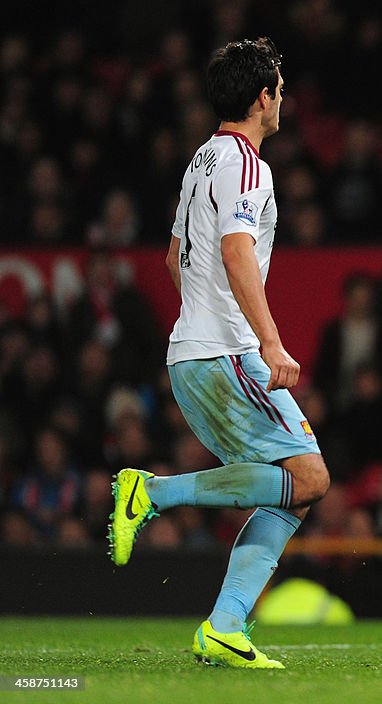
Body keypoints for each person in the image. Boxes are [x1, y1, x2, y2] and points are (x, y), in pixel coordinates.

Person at [107, 38, 330, 669]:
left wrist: (199, 324)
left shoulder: (201, 160)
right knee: (312, 477)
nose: (282, 100)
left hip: (193, 354)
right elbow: (235, 253)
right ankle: (152, 495)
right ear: (264, 97)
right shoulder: (245, 165)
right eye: (280, 91)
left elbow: (173, 258)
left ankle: (225, 627)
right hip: (229, 354)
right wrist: (267, 340)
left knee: (292, 490)